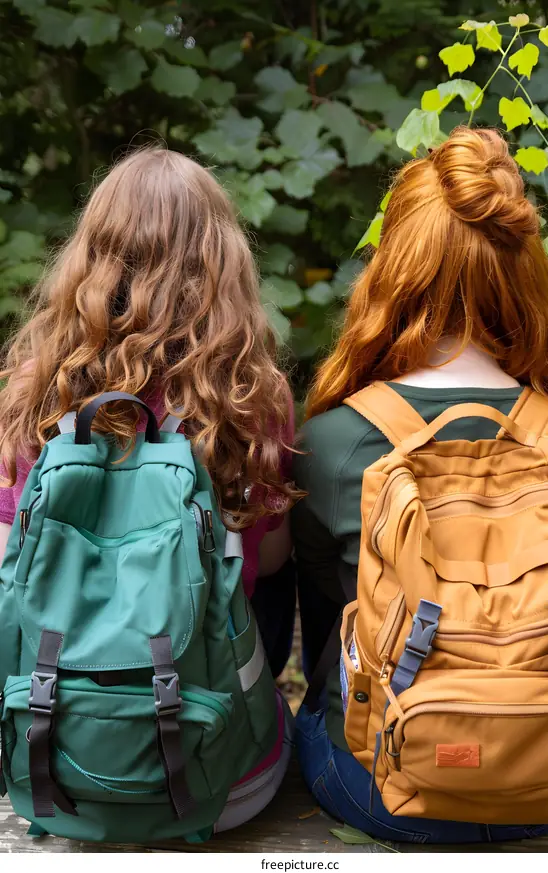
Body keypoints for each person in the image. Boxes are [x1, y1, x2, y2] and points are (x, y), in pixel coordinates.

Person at [292, 126, 548, 844]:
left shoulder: (332, 444)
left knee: (305, 711)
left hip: (382, 788)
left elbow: (326, 618)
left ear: (391, 271)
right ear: (524, 276)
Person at [0, 147, 297, 831]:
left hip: (48, 761)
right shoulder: (251, 396)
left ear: (91, 258)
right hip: (219, 782)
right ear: (221, 263)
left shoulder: (32, 389)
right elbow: (273, 560)